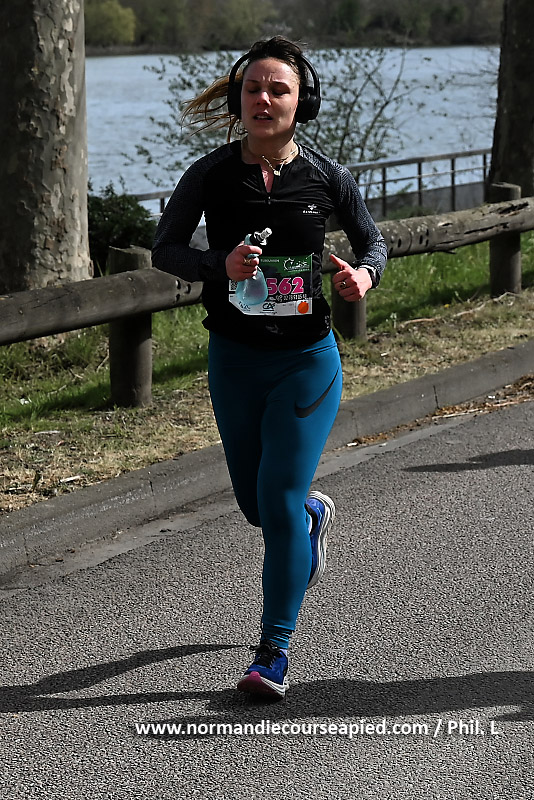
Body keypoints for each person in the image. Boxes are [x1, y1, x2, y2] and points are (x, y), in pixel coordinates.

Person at [152, 36, 387, 699]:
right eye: (253, 89)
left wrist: (364, 276)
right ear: (239, 100)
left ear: (300, 103)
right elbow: (165, 249)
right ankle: (310, 517)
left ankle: (272, 652)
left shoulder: (327, 177)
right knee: (259, 507)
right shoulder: (209, 175)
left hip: (306, 362)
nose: (264, 99)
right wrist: (217, 265)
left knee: (276, 500)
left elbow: (372, 240)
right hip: (234, 360)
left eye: (278, 89)